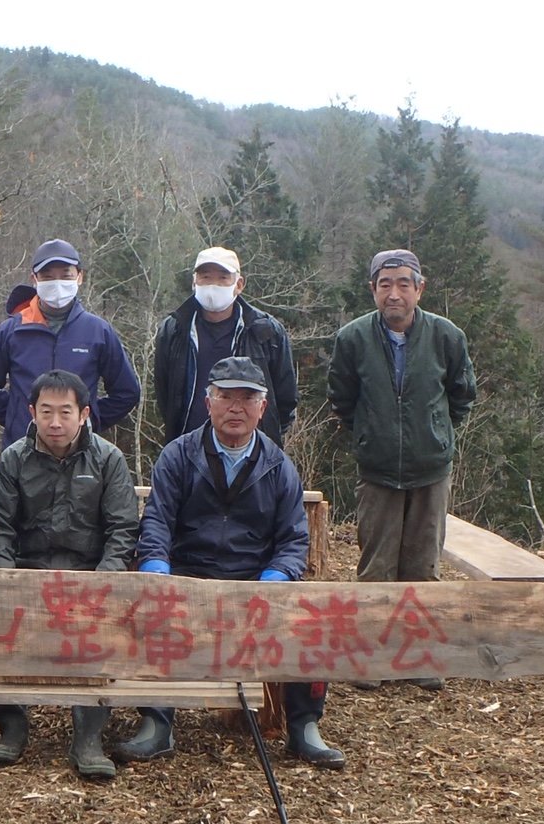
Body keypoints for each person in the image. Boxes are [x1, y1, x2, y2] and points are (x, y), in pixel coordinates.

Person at [129, 356, 345, 770]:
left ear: (262, 408)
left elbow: (293, 540)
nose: (235, 407)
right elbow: (156, 520)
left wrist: (274, 579)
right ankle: (156, 723)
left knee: (314, 617)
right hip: (188, 575)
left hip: (255, 580)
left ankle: (304, 728)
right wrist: (156, 566)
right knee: (148, 606)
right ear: (208, 402)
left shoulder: (279, 466)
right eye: (225, 396)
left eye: (247, 398)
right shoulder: (178, 455)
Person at [327, 249, 477, 691]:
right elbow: (343, 397)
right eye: (385, 284)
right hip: (376, 470)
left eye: (403, 284)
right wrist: (371, 437)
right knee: (376, 565)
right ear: (372, 289)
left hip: (430, 468)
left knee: (423, 564)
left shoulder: (446, 336)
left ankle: (420, 656)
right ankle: (370, 656)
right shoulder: (353, 338)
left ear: (420, 288)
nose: (395, 293)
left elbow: (461, 395)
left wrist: (434, 433)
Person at [0, 369, 139, 779]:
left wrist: (105, 579)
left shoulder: (108, 459)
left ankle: (88, 736)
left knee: (98, 634)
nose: (55, 422)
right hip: (29, 571)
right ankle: (12, 728)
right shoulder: (14, 458)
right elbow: (0, 526)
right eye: (46, 411)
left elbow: (123, 529)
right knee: (5, 623)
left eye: (65, 412)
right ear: (31, 412)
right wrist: (4, 575)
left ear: (84, 413)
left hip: (88, 574)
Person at [0, 238, 141, 450]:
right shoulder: (12, 331)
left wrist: (91, 418)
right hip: (23, 452)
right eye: (48, 277)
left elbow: (127, 392)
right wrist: (16, 416)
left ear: (79, 277)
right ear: (34, 279)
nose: (57, 283)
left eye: (65, 275)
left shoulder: (98, 331)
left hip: (81, 454)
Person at [154, 246, 297, 447]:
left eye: (223, 278)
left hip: (252, 454)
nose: (213, 285)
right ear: (194, 282)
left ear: (239, 284)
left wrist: (263, 436)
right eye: (205, 277)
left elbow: (285, 398)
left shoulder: (266, 332)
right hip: (188, 450)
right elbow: (165, 394)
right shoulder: (173, 330)